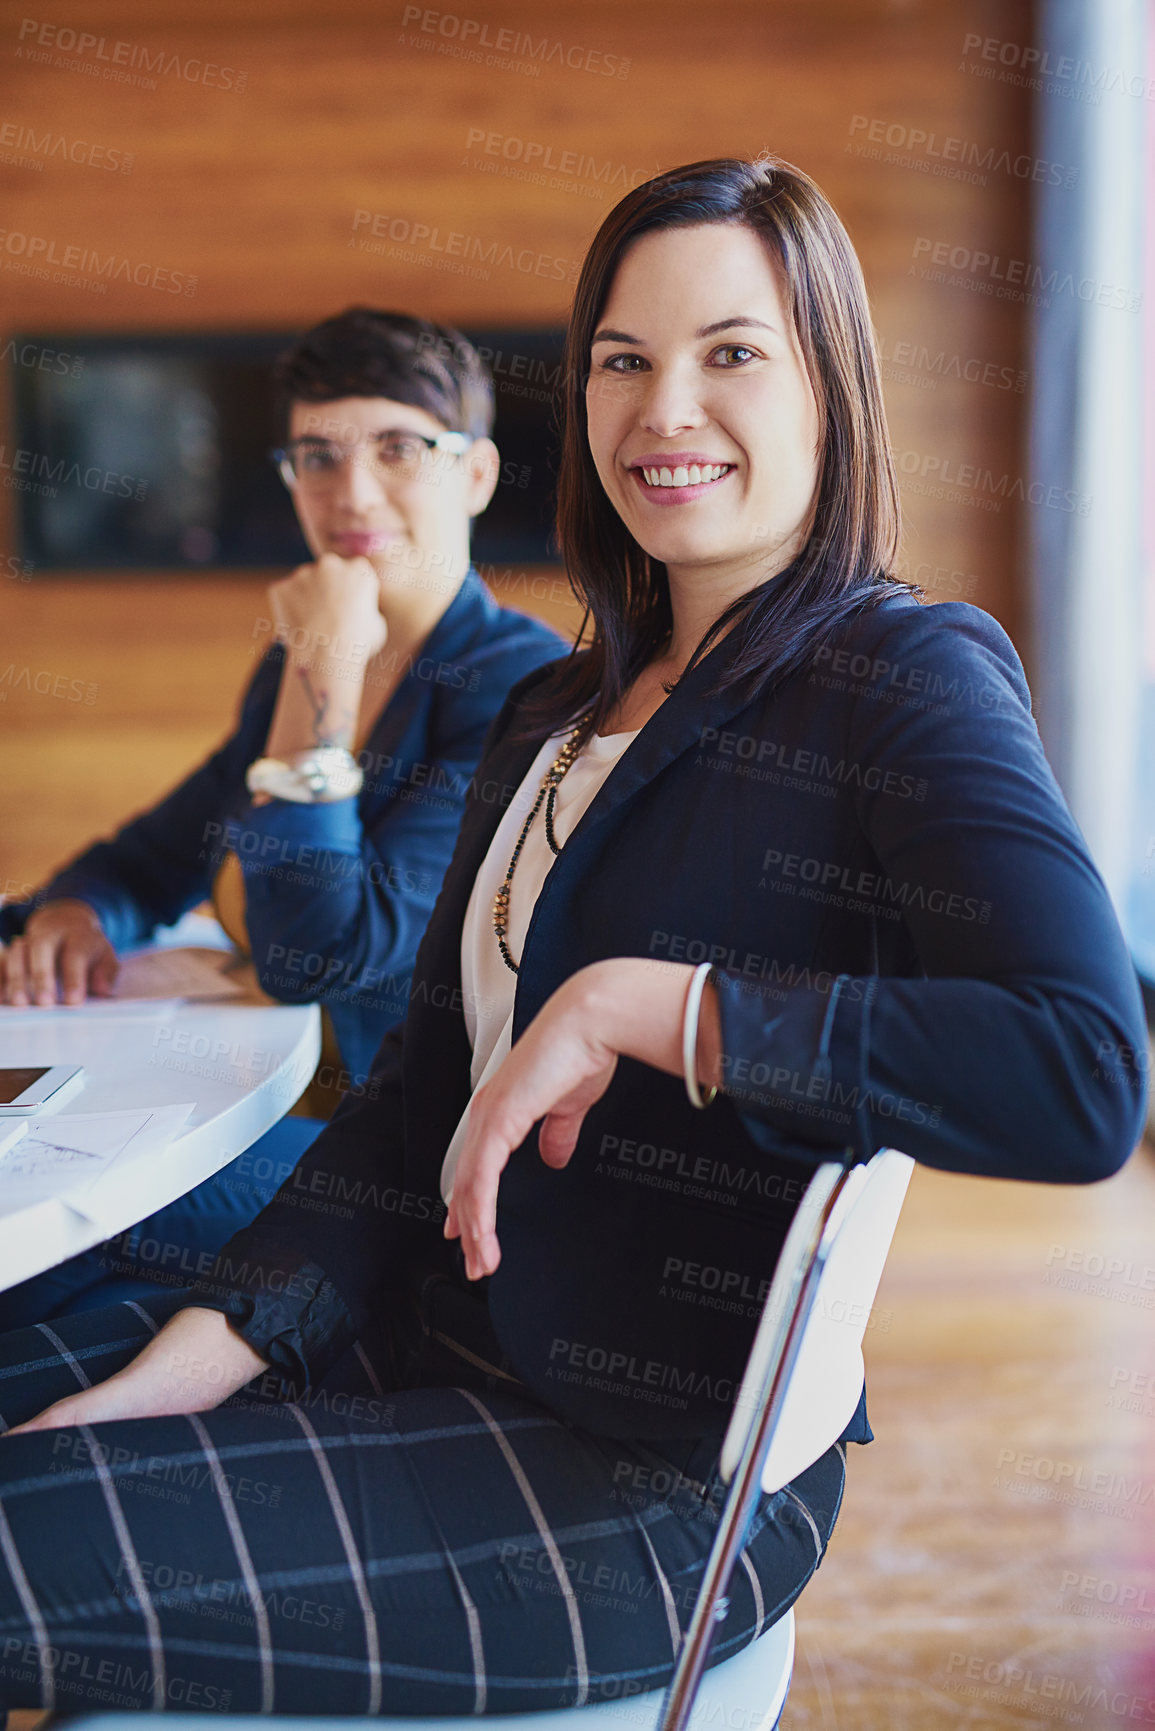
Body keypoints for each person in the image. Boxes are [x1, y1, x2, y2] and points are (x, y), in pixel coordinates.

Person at [0, 158, 1146, 1717]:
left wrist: (648, 1004)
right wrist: (205, 1353)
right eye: (621, 360)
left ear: (830, 386)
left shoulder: (900, 673)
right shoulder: (555, 707)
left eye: (729, 351)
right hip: (432, 1335)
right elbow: (416, 1100)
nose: (661, 407)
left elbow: (1081, 1072)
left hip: (638, 1483)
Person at [0, 307, 565, 1328]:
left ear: (475, 476)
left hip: (393, 1154)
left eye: (399, 448)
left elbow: (323, 954)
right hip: (256, 1090)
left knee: (47, 1248)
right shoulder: (293, 659)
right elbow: (158, 852)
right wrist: (82, 911)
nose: (350, 493)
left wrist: (325, 678)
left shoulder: (518, 683)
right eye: (317, 455)